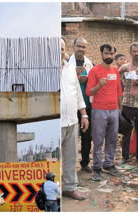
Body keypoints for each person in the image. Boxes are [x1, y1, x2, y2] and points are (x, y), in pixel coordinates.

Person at [86, 43, 123, 181]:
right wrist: (99, 85)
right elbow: (89, 91)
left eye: (111, 54)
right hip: (99, 110)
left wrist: (120, 107)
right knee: (98, 139)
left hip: (114, 110)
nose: (109, 56)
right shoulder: (94, 71)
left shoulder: (115, 71)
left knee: (112, 139)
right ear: (101, 54)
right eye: (106, 53)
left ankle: (109, 164)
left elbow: (119, 90)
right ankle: (96, 167)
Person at [61, 36, 89, 200]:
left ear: (65, 50)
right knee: (53, 156)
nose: (59, 52)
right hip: (55, 121)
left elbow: (78, 93)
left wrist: (84, 114)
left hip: (72, 119)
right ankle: (52, 189)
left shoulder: (70, 68)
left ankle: (70, 188)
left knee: (71, 156)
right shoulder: (43, 70)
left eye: (61, 49)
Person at [68, 37, 94, 173]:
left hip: (86, 106)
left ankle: (85, 163)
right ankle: (70, 165)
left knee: (86, 136)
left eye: (83, 47)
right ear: (73, 47)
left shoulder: (90, 64)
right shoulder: (66, 63)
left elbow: (95, 83)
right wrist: (74, 74)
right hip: (71, 106)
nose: (81, 49)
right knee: (71, 137)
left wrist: (88, 78)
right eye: (78, 46)